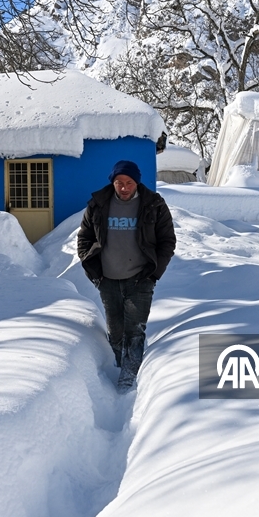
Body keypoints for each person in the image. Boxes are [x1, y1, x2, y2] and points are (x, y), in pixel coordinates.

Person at [77, 160, 176, 392]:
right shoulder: (98, 204)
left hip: (141, 278)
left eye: (128, 182)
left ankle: (129, 377)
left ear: (137, 182)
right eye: (119, 182)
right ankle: (121, 365)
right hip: (108, 279)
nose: (123, 187)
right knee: (116, 330)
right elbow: (84, 238)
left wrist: (154, 274)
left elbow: (167, 241)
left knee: (135, 329)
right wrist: (92, 269)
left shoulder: (154, 205)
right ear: (112, 182)